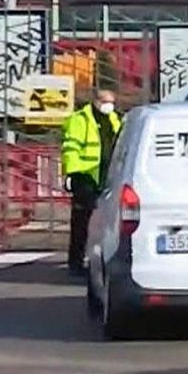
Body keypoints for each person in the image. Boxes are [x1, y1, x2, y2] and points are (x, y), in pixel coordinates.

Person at [61, 88, 121, 274]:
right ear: (95, 101)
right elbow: (70, 148)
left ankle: (102, 258)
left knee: (107, 222)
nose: (109, 105)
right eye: (105, 101)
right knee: (81, 222)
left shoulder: (113, 119)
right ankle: (76, 262)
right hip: (85, 175)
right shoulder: (80, 120)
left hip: (107, 176)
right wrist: (72, 173)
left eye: (111, 102)